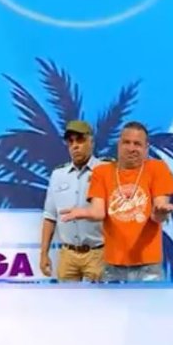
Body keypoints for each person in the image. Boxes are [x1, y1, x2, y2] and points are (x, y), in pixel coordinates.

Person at [60, 121, 173, 282]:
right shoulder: (102, 172)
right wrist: (82, 212)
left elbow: (157, 213)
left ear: (146, 148)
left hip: (148, 265)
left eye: (137, 144)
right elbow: (98, 212)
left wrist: (161, 212)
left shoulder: (157, 168)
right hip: (113, 264)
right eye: (126, 142)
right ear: (119, 145)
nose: (131, 148)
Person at [39, 121, 104, 282]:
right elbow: (50, 216)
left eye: (80, 140)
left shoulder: (106, 171)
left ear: (91, 142)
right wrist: (44, 254)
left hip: (98, 254)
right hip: (67, 255)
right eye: (71, 141)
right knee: (66, 298)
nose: (75, 146)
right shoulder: (58, 175)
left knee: (98, 298)